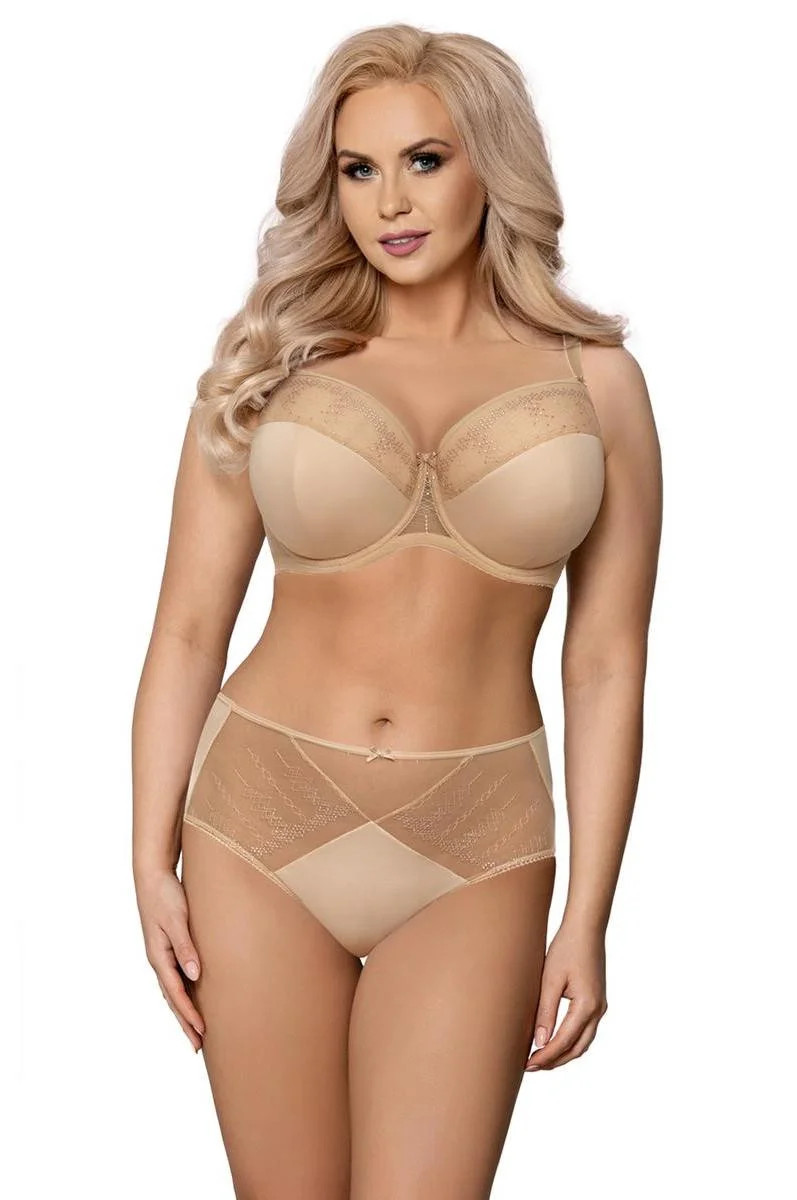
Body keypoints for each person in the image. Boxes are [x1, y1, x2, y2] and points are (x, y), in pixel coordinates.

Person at [131, 22, 662, 1200]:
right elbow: (186, 629)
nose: (390, 202)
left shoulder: (597, 385)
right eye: (357, 169)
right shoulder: (274, 363)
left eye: (424, 160)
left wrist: (587, 915)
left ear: (490, 164)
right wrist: (146, 856)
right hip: (258, 819)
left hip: (477, 840)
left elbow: (604, 662)